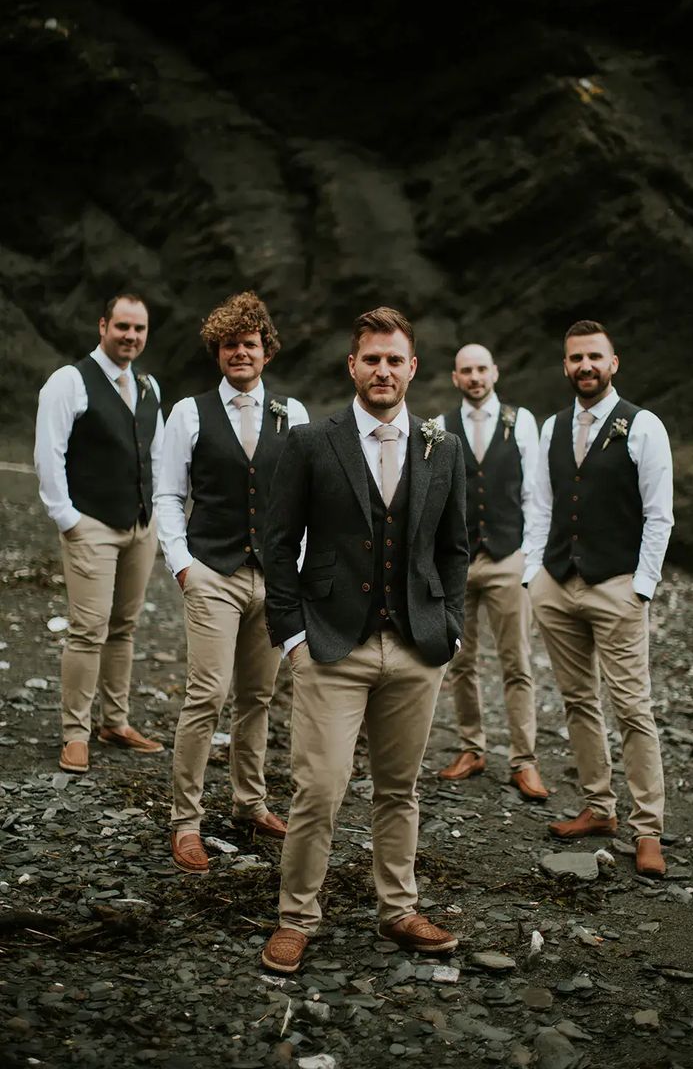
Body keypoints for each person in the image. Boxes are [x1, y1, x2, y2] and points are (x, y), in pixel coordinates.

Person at [261, 306, 469, 972]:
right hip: (328, 643)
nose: (383, 369)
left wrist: (453, 629)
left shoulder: (444, 448)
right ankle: (296, 918)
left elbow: (456, 548)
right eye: (371, 358)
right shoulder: (309, 442)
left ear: (413, 368)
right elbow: (276, 543)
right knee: (318, 788)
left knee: (399, 787)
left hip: (416, 646)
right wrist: (291, 633)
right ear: (352, 366)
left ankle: (398, 908)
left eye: (394, 359)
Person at [154, 290, 309, 875]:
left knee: (259, 697)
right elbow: (169, 494)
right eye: (228, 345)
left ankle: (251, 803)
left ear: (265, 351)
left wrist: (297, 569)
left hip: (272, 581)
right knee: (207, 695)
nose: (239, 353)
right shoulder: (188, 412)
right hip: (213, 573)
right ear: (217, 352)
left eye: (249, 343)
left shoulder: (292, 416)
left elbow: (304, 503)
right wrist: (183, 565)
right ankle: (185, 821)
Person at [523, 320, 673, 876]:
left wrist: (642, 587)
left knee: (633, 708)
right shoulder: (552, 427)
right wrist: (534, 574)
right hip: (558, 585)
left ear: (614, 363)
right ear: (565, 366)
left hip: (616, 585)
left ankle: (648, 829)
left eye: (594, 357)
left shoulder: (643, 426)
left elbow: (660, 514)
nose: (584, 365)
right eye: (575, 358)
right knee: (579, 701)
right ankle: (598, 806)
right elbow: (540, 503)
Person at [34, 292, 165, 774]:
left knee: (125, 627)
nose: (131, 336)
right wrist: (65, 517)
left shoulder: (150, 387)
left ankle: (116, 721)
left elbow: (158, 455)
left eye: (139, 329)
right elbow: (49, 452)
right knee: (88, 629)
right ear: (102, 325)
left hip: (140, 524)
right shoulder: (69, 381)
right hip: (90, 523)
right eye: (122, 327)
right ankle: (75, 732)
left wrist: (158, 517)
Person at [436, 344, 548, 799]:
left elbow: (535, 495)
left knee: (516, 661)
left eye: (482, 369)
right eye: (467, 371)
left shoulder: (520, 422)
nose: (475, 377)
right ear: (455, 378)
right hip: (460, 562)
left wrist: (528, 557)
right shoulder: (441, 426)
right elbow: (438, 498)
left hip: (507, 558)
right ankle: (471, 747)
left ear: (495, 372)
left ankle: (524, 760)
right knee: (460, 660)